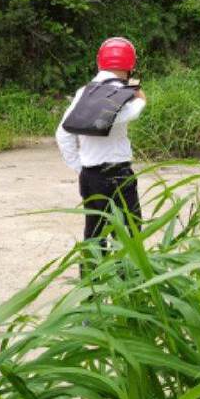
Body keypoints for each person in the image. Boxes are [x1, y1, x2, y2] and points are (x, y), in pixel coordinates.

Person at [55, 37, 146, 276]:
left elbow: (62, 133)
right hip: (118, 174)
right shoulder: (124, 93)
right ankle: (129, 294)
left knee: (93, 237)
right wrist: (140, 100)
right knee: (128, 236)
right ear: (130, 66)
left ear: (99, 62)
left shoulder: (83, 92)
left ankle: (90, 298)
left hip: (90, 176)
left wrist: (80, 166)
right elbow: (127, 114)